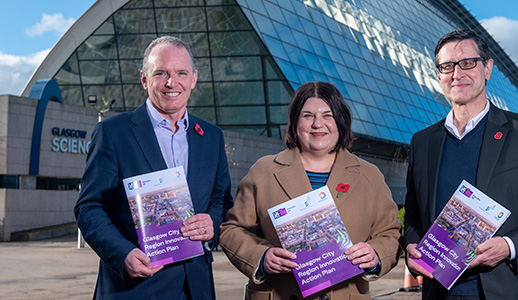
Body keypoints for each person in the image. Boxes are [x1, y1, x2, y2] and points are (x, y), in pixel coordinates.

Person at [401, 28, 518, 300]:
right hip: (442, 292)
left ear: (487, 68)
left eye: (467, 63)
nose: (457, 74)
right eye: (447, 66)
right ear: (438, 74)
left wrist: (510, 246)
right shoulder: (423, 142)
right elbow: (414, 216)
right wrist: (412, 245)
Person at [74, 36, 233, 299]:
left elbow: (221, 200)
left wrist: (213, 222)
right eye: (161, 73)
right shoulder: (113, 133)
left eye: (181, 73)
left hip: (196, 287)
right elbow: (89, 207)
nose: (172, 83)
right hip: (135, 288)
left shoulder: (211, 137)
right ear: (145, 79)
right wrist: (122, 253)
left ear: (193, 78)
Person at [219, 81, 401, 299]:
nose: (317, 124)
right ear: (295, 122)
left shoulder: (369, 176)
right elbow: (232, 229)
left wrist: (377, 254)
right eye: (307, 116)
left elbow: (390, 233)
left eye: (327, 115)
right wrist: (261, 256)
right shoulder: (263, 171)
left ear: (341, 121)